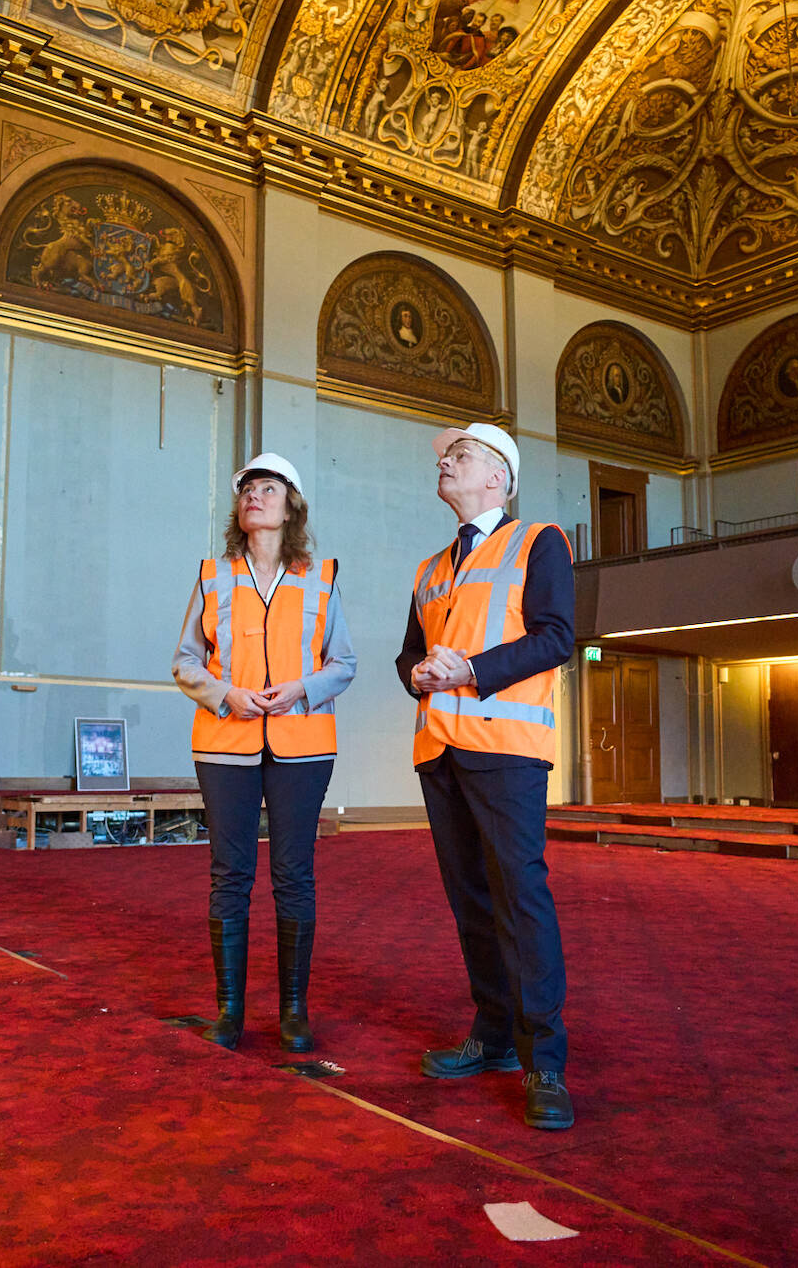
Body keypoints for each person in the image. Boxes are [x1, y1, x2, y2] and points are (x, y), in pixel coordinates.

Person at [395, 422, 576, 1130]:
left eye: (459, 455)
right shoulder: (430, 568)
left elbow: (556, 636)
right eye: (445, 456)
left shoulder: (539, 542)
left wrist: (472, 671)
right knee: (471, 902)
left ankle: (546, 1062)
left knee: (518, 900)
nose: (446, 462)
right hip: (438, 750)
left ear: (497, 476)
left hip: (505, 748)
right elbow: (409, 654)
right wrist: (415, 674)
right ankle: (494, 1035)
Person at [172, 453, 356, 1052]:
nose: (255, 495)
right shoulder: (213, 575)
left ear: (290, 504)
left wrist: (303, 688)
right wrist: (227, 695)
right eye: (248, 488)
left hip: (303, 744)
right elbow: (184, 660)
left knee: (293, 874)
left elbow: (344, 664)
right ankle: (229, 1013)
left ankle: (294, 1013)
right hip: (226, 743)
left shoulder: (320, 576)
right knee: (230, 874)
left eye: (268, 487)